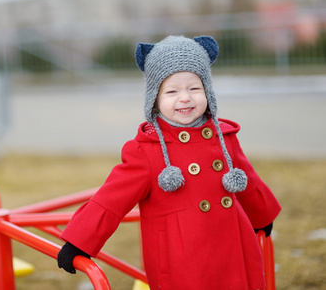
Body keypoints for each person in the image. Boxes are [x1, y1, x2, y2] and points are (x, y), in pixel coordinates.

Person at [57, 35, 281, 290]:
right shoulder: (146, 150)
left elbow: (246, 179)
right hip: (182, 258)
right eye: (172, 91)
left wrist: (262, 214)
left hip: (234, 248)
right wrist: (79, 241)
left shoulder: (222, 136)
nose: (184, 98)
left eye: (194, 89)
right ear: (155, 98)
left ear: (207, 91)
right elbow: (111, 199)